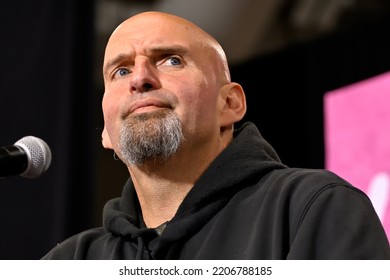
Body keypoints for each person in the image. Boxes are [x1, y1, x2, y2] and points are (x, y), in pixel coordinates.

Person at [42, 11, 390, 260]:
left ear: (230, 103)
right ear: (105, 131)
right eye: (120, 70)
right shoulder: (72, 261)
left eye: (171, 60)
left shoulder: (314, 208)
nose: (139, 79)